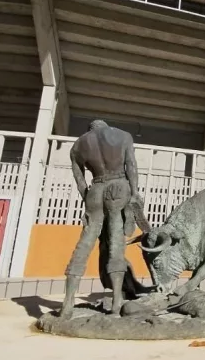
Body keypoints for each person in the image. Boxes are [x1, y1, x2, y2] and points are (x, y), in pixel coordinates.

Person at [60, 120, 151, 319]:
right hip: (119, 186)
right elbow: (131, 166)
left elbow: (79, 179)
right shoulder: (123, 135)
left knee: (84, 243)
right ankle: (117, 303)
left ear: (90, 129)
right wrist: (134, 193)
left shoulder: (78, 145)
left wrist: (88, 197)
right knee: (116, 243)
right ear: (105, 126)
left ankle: (67, 304)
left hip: (96, 188)